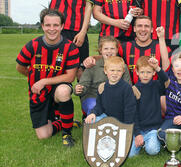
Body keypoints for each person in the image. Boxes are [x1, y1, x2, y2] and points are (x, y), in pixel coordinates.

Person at [16, 8, 80, 147]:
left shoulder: (70, 47)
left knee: (63, 91)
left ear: (62, 26)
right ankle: (64, 120)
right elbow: (20, 67)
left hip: (58, 88)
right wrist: (34, 78)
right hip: (38, 94)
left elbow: (70, 77)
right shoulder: (33, 45)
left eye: (56, 25)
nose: (52, 29)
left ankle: (66, 133)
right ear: (43, 26)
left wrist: (44, 81)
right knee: (44, 136)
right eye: (48, 25)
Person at [74, 36, 131, 120]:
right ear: (101, 50)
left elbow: (128, 86)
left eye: (112, 48)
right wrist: (79, 89)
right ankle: (94, 124)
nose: (109, 51)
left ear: (117, 50)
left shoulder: (123, 66)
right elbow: (83, 84)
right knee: (94, 107)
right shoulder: (93, 66)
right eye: (106, 48)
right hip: (93, 97)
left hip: (115, 99)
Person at [128, 56, 170, 157]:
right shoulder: (134, 89)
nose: (145, 75)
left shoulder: (156, 86)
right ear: (137, 72)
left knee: (152, 150)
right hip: (139, 129)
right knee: (130, 155)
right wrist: (137, 133)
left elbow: (166, 80)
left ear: (153, 73)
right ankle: (141, 140)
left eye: (148, 72)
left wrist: (157, 67)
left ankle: (151, 141)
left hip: (153, 129)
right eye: (142, 72)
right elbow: (133, 114)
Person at [85, 56, 137, 125]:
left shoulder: (126, 88)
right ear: (105, 71)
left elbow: (130, 109)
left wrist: (127, 126)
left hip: (122, 120)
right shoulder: (102, 87)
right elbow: (99, 106)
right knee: (91, 121)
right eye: (112, 70)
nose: (115, 73)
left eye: (119, 70)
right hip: (107, 117)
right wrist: (93, 113)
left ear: (123, 71)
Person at [119, 16, 170, 84]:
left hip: (155, 92)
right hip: (131, 92)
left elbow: (166, 70)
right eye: (139, 26)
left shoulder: (162, 47)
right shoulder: (124, 47)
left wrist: (161, 37)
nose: (143, 29)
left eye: (146, 26)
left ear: (152, 29)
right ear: (134, 29)